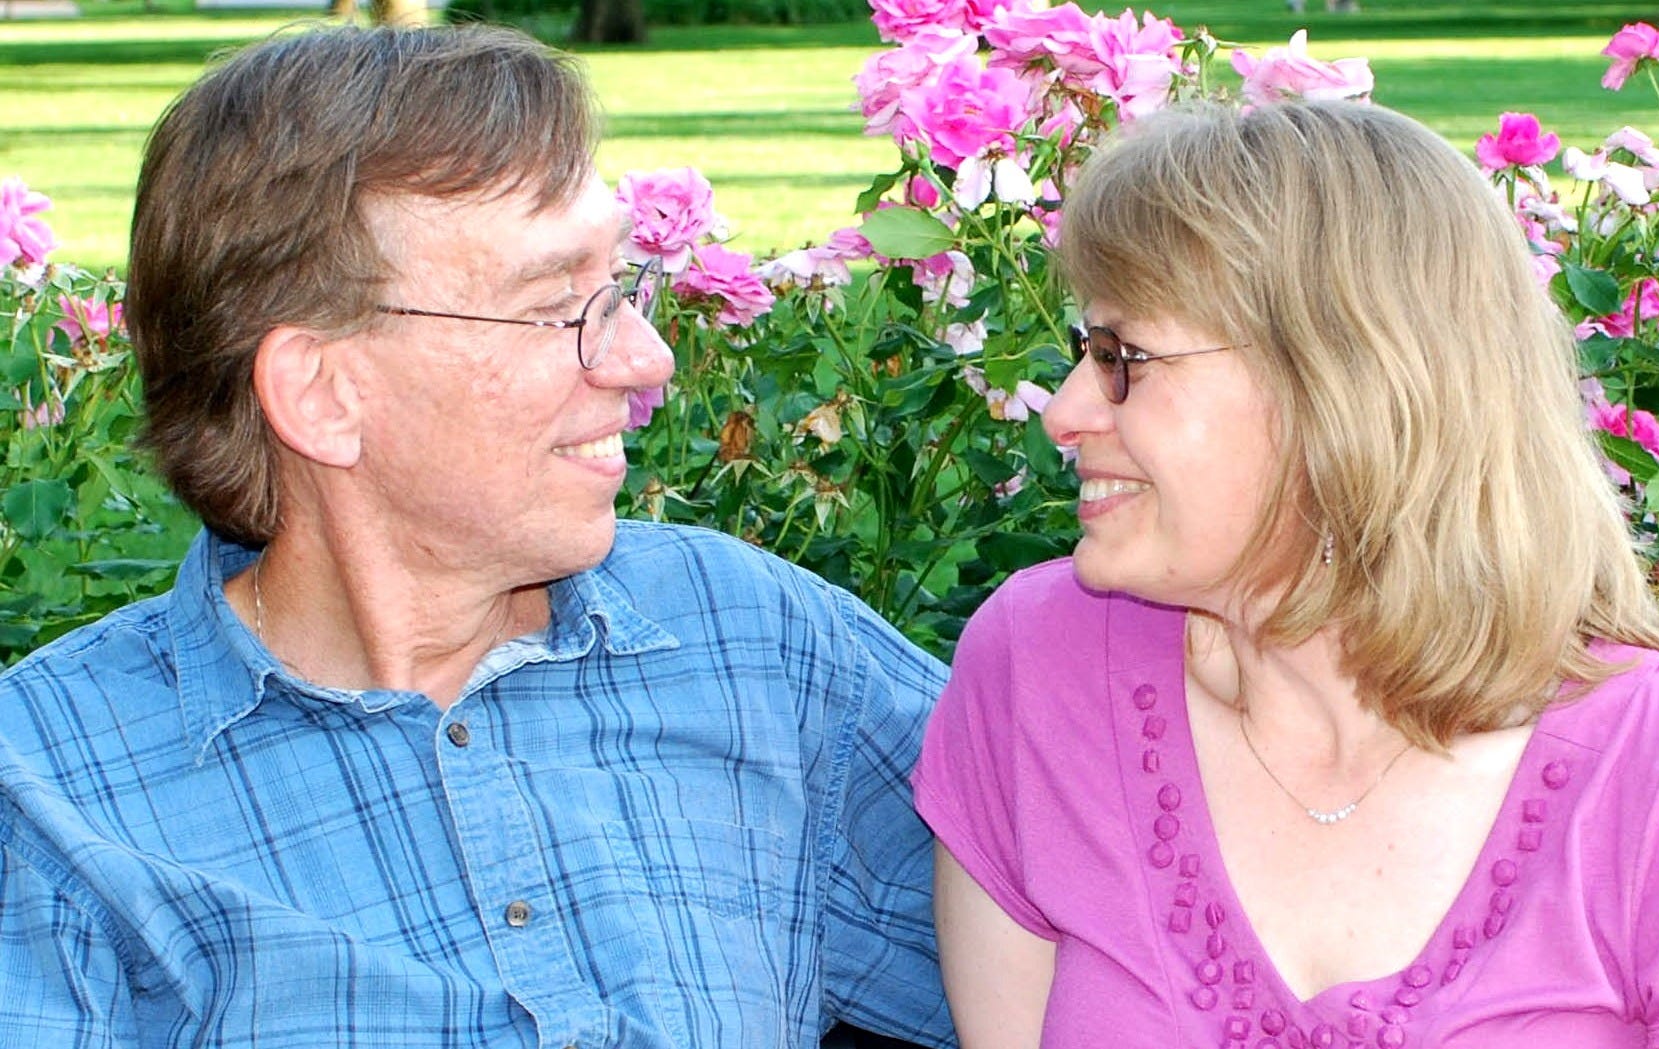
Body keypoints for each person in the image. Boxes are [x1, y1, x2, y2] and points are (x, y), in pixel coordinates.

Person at [0, 25, 953, 1048]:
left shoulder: (748, 643)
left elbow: (1067, 932)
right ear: (322, 394)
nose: (646, 358)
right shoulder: (55, 797)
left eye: (618, 288)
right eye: (555, 307)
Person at [912, 100, 1659, 1048]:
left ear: (1338, 387)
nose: (1064, 413)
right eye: (1085, 351)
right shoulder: (1041, 671)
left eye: (1121, 357)